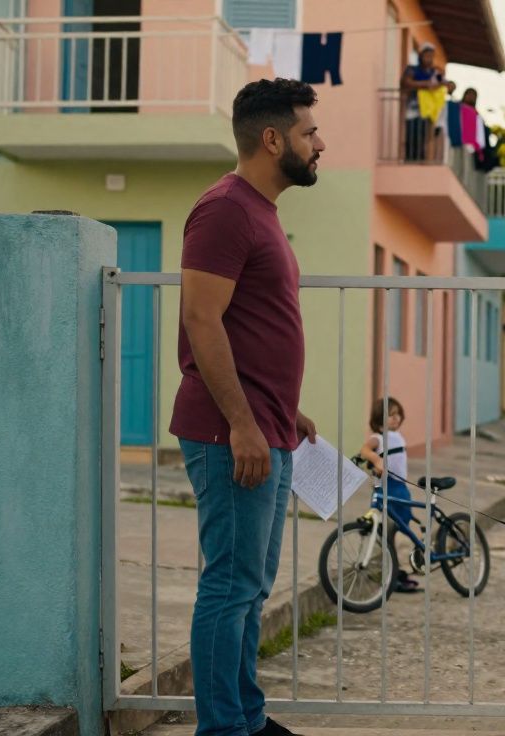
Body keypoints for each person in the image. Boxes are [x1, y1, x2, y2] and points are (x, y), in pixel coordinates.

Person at [170, 77, 324, 736]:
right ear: (272, 139)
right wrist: (242, 423)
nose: (320, 143)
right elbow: (202, 321)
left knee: (252, 588)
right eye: (309, 132)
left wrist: (287, 412)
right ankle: (225, 729)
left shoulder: (261, 211)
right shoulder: (226, 209)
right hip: (231, 434)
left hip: (270, 429)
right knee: (229, 587)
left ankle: (246, 719)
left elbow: (255, 325)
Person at [359, 397, 421, 592]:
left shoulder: (397, 436)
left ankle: (397, 568)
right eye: (390, 415)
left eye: (397, 414)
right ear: (379, 421)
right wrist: (377, 460)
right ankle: (392, 572)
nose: (395, 418)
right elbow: (364, 450)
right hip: (387, 487)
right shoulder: (379, 437)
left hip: (401, 487)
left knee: (401, 526)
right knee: (386, 531)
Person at [400, 42, 445, 161]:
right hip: (413, 111)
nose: (429, 58)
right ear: (420, 55)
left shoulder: (434, 72)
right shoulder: (412, 70)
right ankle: (410, 160)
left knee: (423, 139)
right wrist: (425, 84)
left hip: (429, 113)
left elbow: (446, 84)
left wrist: (442, 83)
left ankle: (419, 160)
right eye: (426, 55)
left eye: (431, 56)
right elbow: (406, 82)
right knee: (412, 138)